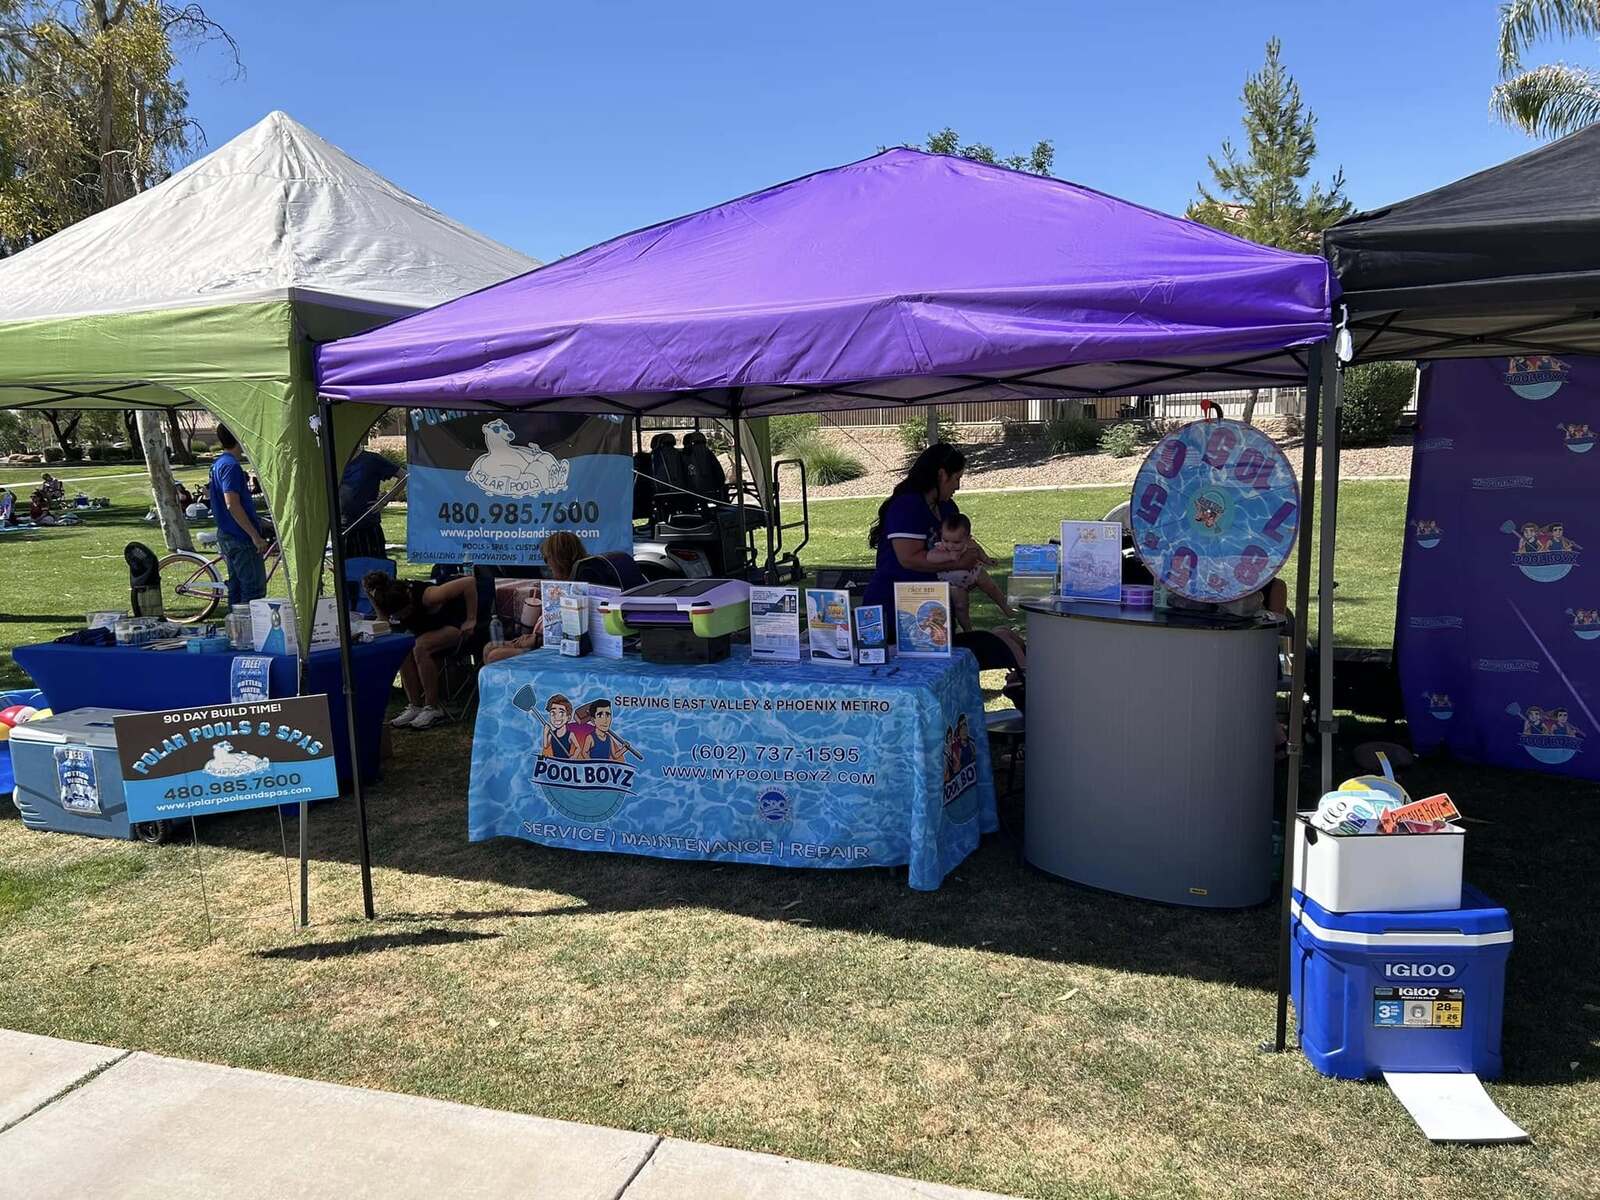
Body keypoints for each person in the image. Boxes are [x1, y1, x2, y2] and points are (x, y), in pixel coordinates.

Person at [863, 443, 1026, 702]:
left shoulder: (947, 509)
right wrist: (958, 565)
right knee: (905, 683)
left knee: (941, 676)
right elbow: (909, 559)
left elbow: (962, 545)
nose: (958, 486)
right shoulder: (907, 506)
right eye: (957, 478)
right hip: (893, 608)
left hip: (931, 607)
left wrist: (970, 563)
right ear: (941, 474)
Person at [482, 532, 647, 665]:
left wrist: (535, 641)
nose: (547, 565)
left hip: (555, 647)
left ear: (557, 559)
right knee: (490, 648)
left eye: (547, 559)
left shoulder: (580, 582)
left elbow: (577, 630)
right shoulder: (575, 577)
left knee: (495, 655)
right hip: (542, 640)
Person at [363, 571, 484, 730]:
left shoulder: (429, 595)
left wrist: (471, 619)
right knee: (403, 647)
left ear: (410, 602)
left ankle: (432, 707)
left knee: (420, 647)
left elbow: (468, 582)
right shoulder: (387, 597)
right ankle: (415, 705)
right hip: (427, 630)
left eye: (403, 613)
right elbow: (384, 620)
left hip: (454, 625)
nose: (402, 616)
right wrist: (371, 596)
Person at [929, 512, 1027, 668]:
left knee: (989, 584)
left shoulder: (971, 545)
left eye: (956, 542)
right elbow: (930, 558)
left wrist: (987, 560)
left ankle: (1005, 606)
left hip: (971, 572)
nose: (950, 545)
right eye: (946, 540)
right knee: (961, 605)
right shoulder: (941, 548)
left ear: (968, 539)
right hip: (952, 581)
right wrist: (948, 557)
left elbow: (979, 551)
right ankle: (968, 629)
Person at [208, 424, 269, 605]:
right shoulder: (230, 466)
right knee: (253, 591)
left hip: (228, 534)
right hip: (240, 537)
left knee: (236, 588)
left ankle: (236, 629)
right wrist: (254, 536)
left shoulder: (218, 464)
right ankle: (250, 630)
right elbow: (232, 504)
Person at [339, 444, 402, 559]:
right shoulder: (335, 462)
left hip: (368, 528)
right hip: (343, 530)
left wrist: (384, 500)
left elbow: (403, 476)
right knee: (347, 574)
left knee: (374, 572)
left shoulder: (371, 460)